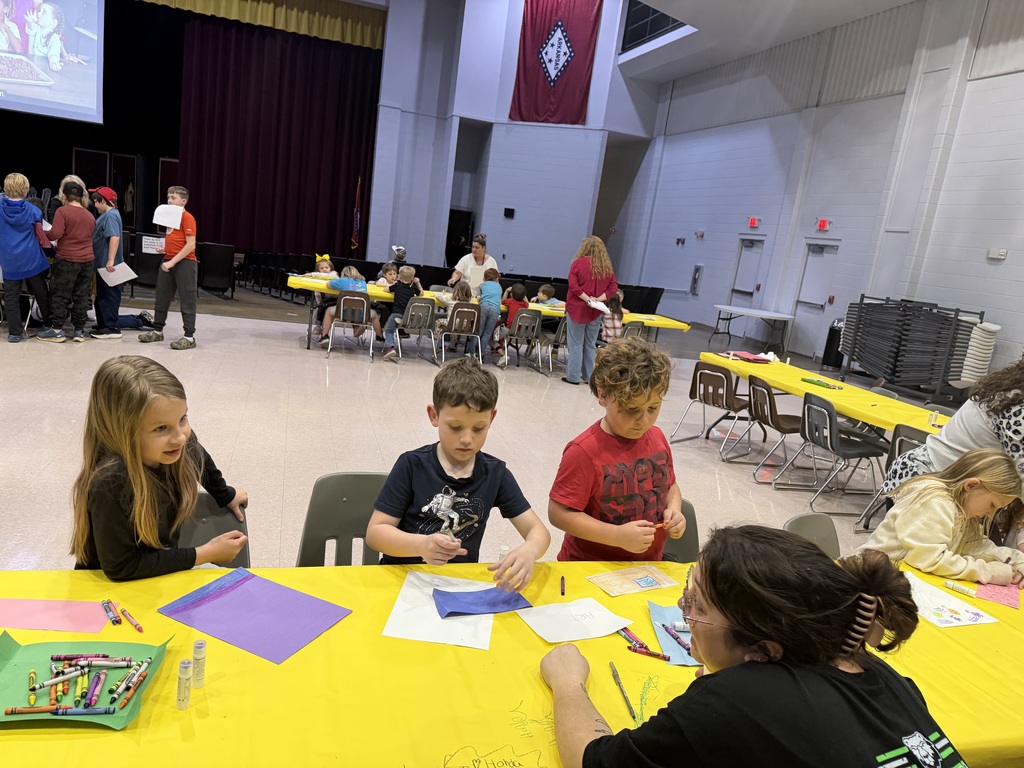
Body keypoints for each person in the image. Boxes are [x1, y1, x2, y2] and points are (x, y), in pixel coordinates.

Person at [540, 526, 965, 768]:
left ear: (763, 650)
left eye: (697, 606)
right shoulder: (873, 669)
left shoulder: (738, 700)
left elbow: (592, 763)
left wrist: (568, 682)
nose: (684, 613)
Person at [365, 356, 550, 591]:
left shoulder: (496, 474)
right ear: (434, 415)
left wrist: (529, 550)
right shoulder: (412, 465)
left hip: (458, 585)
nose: (466, 439)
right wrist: (421, 545)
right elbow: (376, 533)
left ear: (491, 418)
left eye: (478, 428)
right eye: (455, 427)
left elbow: (538, 531)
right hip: (402, 581)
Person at [70, 355, 249, 581]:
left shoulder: (177, 442)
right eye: (161, 428)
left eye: (183, 418)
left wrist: (225, 493)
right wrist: (204, 554)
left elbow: (197, 454)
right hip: (110, 591)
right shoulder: (112, 480)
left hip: (154, 578)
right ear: (122, 431)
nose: (180, 437)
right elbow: (121, 568)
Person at [549, 338, 686, 561]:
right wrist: (617, 536)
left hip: (647, 567)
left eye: (653, 408)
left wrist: (675, 509)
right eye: (631, 409)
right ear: (603, 396)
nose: (643, 420)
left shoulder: (658, 437)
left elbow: (670, 485)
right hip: (589, 569)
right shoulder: (583, 451)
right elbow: (559, 514)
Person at [881, 357, 1024, 549]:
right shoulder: (1016, 408)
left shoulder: (1010, 391)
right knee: (913, 560)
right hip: (932, 486)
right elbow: (1019, 478)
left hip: (956, 489)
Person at [858, 449, 1024, 585]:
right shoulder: (936, 501)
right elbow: (929, 559)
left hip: (895, 582)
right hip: (865, 582)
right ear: (972, 485)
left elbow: (978, 546)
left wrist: (1017, 560)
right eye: (992, 505)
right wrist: (989, 572)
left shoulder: (964, 508)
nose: (991, 514)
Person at [139, 186, 199, 350]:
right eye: (168, 197)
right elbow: (175, 240)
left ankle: (189, 336)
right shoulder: (170, 218)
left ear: (183, 201)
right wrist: (165, 249)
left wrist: (172, 262)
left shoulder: (187, 217)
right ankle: (157, 331)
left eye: (173, 198)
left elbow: (190, 245)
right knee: (161, 297)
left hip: (185, 263)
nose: (169, 200)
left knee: (187, 300)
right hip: (168, 259)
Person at [36, 180, 94, 343]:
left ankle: (57, 330)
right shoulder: (89, 215)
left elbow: (56, 234)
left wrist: (41, 232)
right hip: (87, 260)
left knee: (60, 294)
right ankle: (79, 331)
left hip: (67, 259)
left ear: (64, 195)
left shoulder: (62, 211)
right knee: (82, 295)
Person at [0, 172, 51, 342]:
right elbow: (40, 236)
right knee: (41, 292)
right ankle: (48, 324)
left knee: (11, 297)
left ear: (5, 189)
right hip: (31, 259)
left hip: (9, 260)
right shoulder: (34, 211)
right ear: (27, 189)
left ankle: (15, 333)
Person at [564, 236, 617, 385]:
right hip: (596, 310)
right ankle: (588, 377)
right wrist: (598, 299)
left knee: (575, 344)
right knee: (590, 344)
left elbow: (573, 287)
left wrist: (587, 299)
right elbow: (613, 287)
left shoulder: (578, 264)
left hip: (577, 309)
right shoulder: (606, 267)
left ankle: (573, 377)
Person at [88, 186, 125, 340]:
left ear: (103, 201)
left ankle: (111, 327)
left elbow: (114, 237)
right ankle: (104, 323)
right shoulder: (110, 215)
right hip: (102, 264)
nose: (95, 205)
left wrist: (110, 259)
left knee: (108, 295)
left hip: (108, 265)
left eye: (96, 202)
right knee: (102, 295)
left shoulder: (110, 216)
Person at [320, 265, 381, 344]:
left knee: (328, 311)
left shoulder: (342, 281)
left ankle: (324, 336)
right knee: (374, 314)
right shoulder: (363, 282)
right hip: (362, 315)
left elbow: (328, 284)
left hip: (344, 313)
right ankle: (380, 337)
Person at [382, 264, 423, 361]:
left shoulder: (397, 286)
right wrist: (417, 283)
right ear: (412, 278)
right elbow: (421, 293)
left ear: (399, 276)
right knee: (393, 328)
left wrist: (394, 283)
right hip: (408, 317)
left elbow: (386, 289)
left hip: (396, 314)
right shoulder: (413, 288)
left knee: (389, 330)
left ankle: (391, 347)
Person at [466, 267, 501, 359]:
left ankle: (470, 353)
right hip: (495, 310)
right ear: (497, 278)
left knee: (477, 331)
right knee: (487, 333)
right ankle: (480, 354)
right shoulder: (499, 287)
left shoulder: (482, 285)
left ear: (484, 278)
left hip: (483, 307)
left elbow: (478, 298)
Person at [303, 256, 337, 341]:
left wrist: (312, 274)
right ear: (318, 270)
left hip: (336, 299)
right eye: (321, 268)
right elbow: (317, 293)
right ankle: (319, 327)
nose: (324, 270)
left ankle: (319, 326)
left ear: (331, 268)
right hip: (326, 301)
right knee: (321, 306)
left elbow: (329, 277)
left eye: (326, 267)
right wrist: (319, 304)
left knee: (324, 304)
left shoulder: (334, 274)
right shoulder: (318, 279)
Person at [434, 279, 473, 350]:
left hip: (452, 325)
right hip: (466, 326)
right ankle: (453, 345)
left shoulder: (451, 298)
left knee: (438, 322)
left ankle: (439, 345)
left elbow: (438, 296)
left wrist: (442, 293)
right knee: (457, 325)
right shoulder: (470, 301)